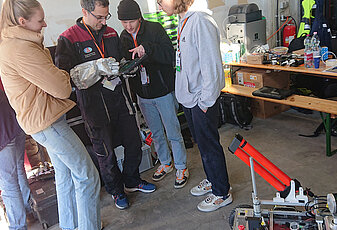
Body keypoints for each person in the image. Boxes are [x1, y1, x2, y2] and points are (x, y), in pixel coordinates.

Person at [0, 0, 101, 229]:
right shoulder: (21, 48)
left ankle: (70, 225)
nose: (44, 24)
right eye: (40, 20)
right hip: (48, 123)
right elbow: (61, 88)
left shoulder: (15, 42)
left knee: (65, 178)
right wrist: (67, 75)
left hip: (43, 119)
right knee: (87, 176)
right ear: (22, 21)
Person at [55, 0, 156, 210]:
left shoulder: (110, 33)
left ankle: (132, 180)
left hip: (119, 99)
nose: (103, 22)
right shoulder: (69, 38)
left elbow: (119, 60)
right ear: (85, 11)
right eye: (99, 17)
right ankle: (116, 191)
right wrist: (95, 68)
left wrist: (127, 67)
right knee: (106, 154)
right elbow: (65, 77)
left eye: (105, 16)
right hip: (94, 107)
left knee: (134, 143)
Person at [158, 0, 232, 212]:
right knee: (202, 144)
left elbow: (212, 64)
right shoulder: (183, 21)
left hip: (202, 99)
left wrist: (206, 101)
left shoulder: (200, 20)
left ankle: (221, 192)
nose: (159, 3)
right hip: (190, 99)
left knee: (209, 146)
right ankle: (212, 179)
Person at [117, 0, 189, 188]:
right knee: (156, 133)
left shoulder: (154, 29)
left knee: (173, 131)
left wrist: (147, 49)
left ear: (139, 17)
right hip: (142, 94)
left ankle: (181, 166)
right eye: (124, 22)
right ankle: (166, 163)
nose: (128, 26)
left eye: (131, 21)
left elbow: (170, 55)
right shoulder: (123, 37)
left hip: (163, 90)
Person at [0, 86, 30, 230]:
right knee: (19, 168)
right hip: (15, 121)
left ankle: (18, 226)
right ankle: (27, 208)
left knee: (8, 184)